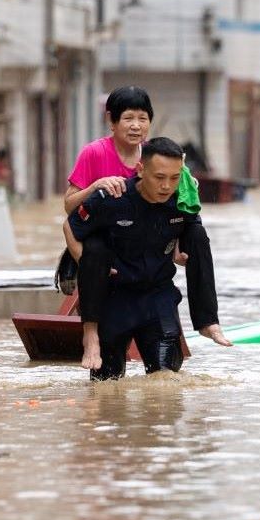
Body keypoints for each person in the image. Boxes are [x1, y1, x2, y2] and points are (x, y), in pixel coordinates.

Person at [65, 137, 232, 381]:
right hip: (114, 296)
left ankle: (208, 321)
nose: (167, 186)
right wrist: (86, 262)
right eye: (159, 177)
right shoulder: (113, 197)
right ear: (141, 169)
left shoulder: (182, 199)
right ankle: (91, 334)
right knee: (106, 385)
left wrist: (179, 249)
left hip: (157, 296)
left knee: (165, 382)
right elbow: (71, 226)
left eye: (174, 178)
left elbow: (191, 235)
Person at [63, 86, 201, 368]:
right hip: (100, 242)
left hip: (144, 246)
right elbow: (68, 207)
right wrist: (95, 186)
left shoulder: (156, 155)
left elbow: (172, 210)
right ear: (111, 121)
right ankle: (90, 335)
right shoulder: (94, 153)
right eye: (128, 118)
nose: (136, 126)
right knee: (98, 250)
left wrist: (186, 186)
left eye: (142, 118)